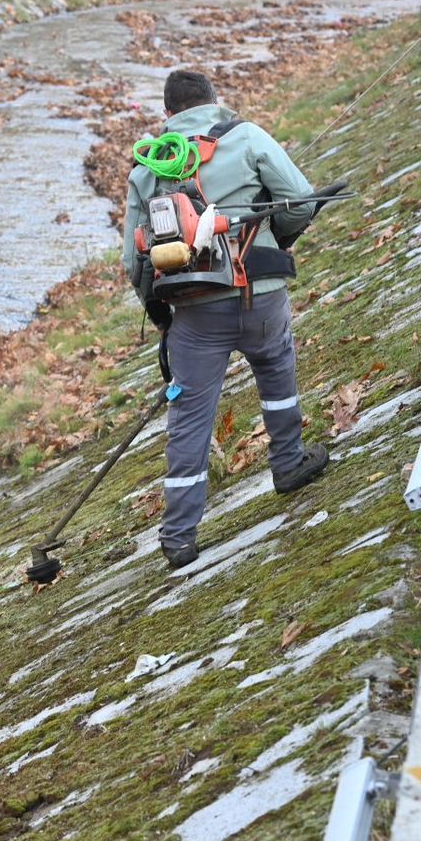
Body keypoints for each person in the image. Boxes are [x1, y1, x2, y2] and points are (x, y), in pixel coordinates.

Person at [122, 70, 332, 569]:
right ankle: (288, 464)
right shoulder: (248, 136)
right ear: (215, 101)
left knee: (190, 421)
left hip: (193, 313)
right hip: (260, 296)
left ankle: (178, 538)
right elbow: (299, 202)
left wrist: (160, 315)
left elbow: (136, 261)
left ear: (167, 114)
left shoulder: (148, 167)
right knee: (277, 377)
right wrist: (277, 238)